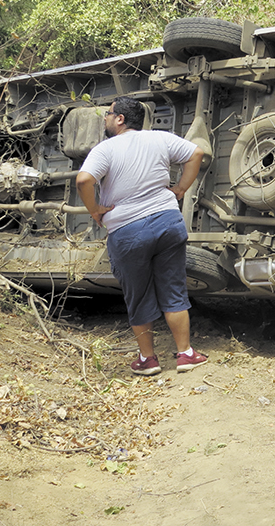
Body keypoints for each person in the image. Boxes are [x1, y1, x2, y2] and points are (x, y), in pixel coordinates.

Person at [76, 97, 208, 375]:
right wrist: (181, 188)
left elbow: (84, 180)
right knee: (173, 289)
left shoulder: (105, 149)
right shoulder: (159, 138)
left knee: (138, 295)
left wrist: (95, 210)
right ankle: (186, 354)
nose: (105, 118)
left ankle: (148, 360)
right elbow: (196, 153)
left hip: (128, 231)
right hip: (167, 222)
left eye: (108, 114)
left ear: (120, 119)